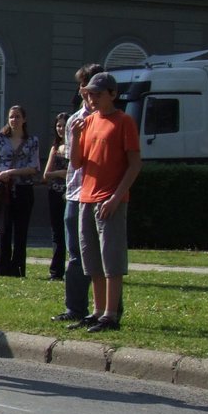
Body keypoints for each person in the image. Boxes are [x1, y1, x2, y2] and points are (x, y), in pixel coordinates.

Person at [69, 72, 141, 333]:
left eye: (98, 94)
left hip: (110, 200)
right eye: (89, 94)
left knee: (111, 259)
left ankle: (111, 315)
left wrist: (116, 197)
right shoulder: (88, 122)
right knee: (91, 260)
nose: (92, 99)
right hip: (86, 198)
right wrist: (75, 137)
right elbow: (76, 163)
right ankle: (97, 311)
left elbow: (134, 165)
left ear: (113, 94)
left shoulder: (124, 122)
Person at [53, 63, 104, 324]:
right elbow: (75, 161)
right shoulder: (75, 120)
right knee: (75, 254)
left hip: (102, 194)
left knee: (104, 256)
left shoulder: (110, 119)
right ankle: (75, 308)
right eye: (83, 85)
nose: (86, 91)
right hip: (76, 193)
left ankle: (107, 310)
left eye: (92, 86)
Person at [0, 105, 41, 277]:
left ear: (24, 119)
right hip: (3, 190)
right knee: (3, 230)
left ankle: (18, 269)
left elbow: (34, 167)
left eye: (17, 117)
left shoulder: (32, 141)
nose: (14, 120)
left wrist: (12, 172)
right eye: (11, 117)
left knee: (21, 230)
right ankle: (2, 269)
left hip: (23, 189)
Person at [41, 111, 69, 280]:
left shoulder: (76, 147)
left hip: (70, 194)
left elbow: (75, 172)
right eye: (58, 125)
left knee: (71, 233)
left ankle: (76, 271)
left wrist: (64, 174)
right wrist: (60, 173)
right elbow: (46, 175)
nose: (61, 129)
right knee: (57, 233)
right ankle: (56, 272)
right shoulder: (55, 148)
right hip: (55, 193)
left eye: (64, 125)